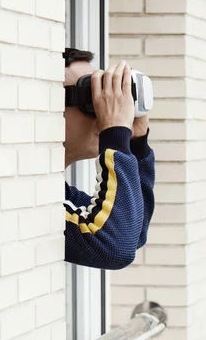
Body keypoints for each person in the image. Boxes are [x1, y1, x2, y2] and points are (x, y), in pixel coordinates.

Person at [62, 48, 155, 269]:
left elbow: (132, 234)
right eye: (91, 97)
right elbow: (113, 246)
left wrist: (135, 142)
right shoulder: (23, 197)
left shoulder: (51, 193)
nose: (103, 109)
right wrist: (114, 134)